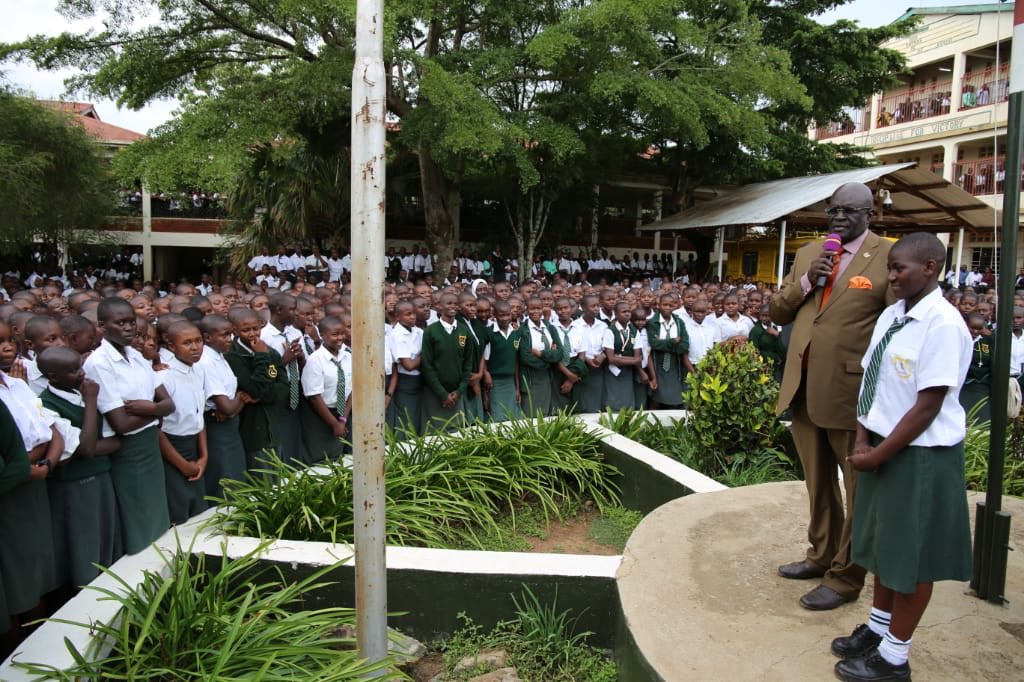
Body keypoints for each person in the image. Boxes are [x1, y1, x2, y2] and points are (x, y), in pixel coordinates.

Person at [831, 233, 972, 681]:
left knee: (910, 559)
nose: (890, 276)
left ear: (930, 267)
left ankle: (895, 658)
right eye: (890, 267)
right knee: (883, 549)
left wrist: (877, 455)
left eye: (900, 269)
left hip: (918, 456)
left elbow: (926, 406)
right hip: (880, 448)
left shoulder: (943, 324)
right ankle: (879, 629)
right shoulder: (893, 315)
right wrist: (861, 438)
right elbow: (872, 382)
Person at [770, 182, 894, 611]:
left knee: (858, 489)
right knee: (817, 482)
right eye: (833, 211)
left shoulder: (886, 256)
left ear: (869, 213)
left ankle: (846, 576)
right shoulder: (809, 253)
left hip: (851, 392)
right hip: (803, 387)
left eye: (848, 211)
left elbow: (896, 326)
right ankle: (821, 555)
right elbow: (778, 311)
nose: (838, 219)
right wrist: (806, 280)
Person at [84, 297, 175, 554]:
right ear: (102, 326)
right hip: (129, 450)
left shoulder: (135, 355)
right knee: (138, 516)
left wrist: (151, 409)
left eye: (131, 322)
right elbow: (121, 423)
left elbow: (168, 403)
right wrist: (156, 411)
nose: (128, 328)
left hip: (149, 444)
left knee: (156, 512)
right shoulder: (99, 363)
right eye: (120, 323)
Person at [38, 347, 123, 588]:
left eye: (80, 366)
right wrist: (91, 401)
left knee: (107, 538)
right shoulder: (47, 404)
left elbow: (115, 441)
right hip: (74, 485)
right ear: (53, 377)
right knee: (83, 544)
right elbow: (86, 449)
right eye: (73, 370)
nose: (82, 373)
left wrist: (85, 448)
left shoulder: (82, 393)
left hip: (101, 476)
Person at [157, 321, 209, 525]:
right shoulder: (164, 377)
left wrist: (203, 456)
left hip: (195, 447)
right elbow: (158, 430)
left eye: (198, 341)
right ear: (171, 346)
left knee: (199, 513)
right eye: (187, 343)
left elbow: (199, 417)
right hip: (173, 450)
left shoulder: (197, 370)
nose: (195, 347)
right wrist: (183, 465)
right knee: (179, 515)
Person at [225, 308, 288, 474]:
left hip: (273, 428)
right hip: (252, 430)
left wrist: (261, 396)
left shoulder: (270, 352)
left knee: (278, 480)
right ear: (235, 330)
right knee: (261, 481)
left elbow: (283, 386)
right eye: (246, 330)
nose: (253, 334)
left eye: (255, 329)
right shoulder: (233, 356)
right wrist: (261, 357)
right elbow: (255, 388)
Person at [196, 315, 250, 498]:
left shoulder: (219, 355)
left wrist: (237, 402)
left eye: (231, 335)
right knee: (225, 480)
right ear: (208, 337)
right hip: (217, 428)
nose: (230, 339)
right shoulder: (206, 361)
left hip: (229, 425)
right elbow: (226, 406)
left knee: (236, 477)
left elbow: (230, 406)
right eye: (224, 335)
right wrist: (241, 398)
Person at [299, 316, 351, 462]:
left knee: (340, 457)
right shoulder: (315, 360)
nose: (340, 337)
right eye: (335, 334)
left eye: (342, 333)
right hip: (321, 415)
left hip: (341, 413)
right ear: (322, 335)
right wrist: (335, 424)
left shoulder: (347, 356)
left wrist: (342, 419)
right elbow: (314, 397)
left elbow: (352, 388)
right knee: (321, 458)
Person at [419, 292, 473, 429]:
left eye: (455, 303)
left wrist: (459, 391)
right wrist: (442, 394)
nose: (453, 306)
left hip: (456, 394)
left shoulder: (464, 331)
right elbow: (427, 365)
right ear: (438, 306)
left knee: (457, 432)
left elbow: (468, 363)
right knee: (435, 433)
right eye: (449, 303)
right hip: (435, 393)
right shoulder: (431, 331)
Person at [647, 294, 689, 408]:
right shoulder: (652, 322)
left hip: (676, 364)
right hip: (659, 364)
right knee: (656, 396)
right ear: (659, 305)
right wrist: (673, 341)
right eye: (664, 305)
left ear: (675, 306)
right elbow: (654, 344)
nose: (667, 307)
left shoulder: (679, 322)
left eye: (671, 305)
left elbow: (684, 346)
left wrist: (664, 342)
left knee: (674, 397)